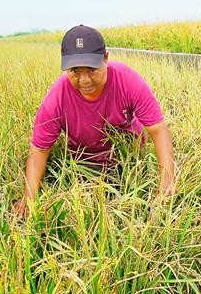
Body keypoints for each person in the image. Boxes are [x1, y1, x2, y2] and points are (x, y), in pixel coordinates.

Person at [13, 25, 175, 218]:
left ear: (105, 58)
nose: (84, 80)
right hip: (85, 163)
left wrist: (167, 184)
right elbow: (39, 149)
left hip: (129, 159)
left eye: (91, 69)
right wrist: (29, 198)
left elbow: (158, 129)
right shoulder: (56, 98)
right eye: (74, 71)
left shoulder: (127, 81)